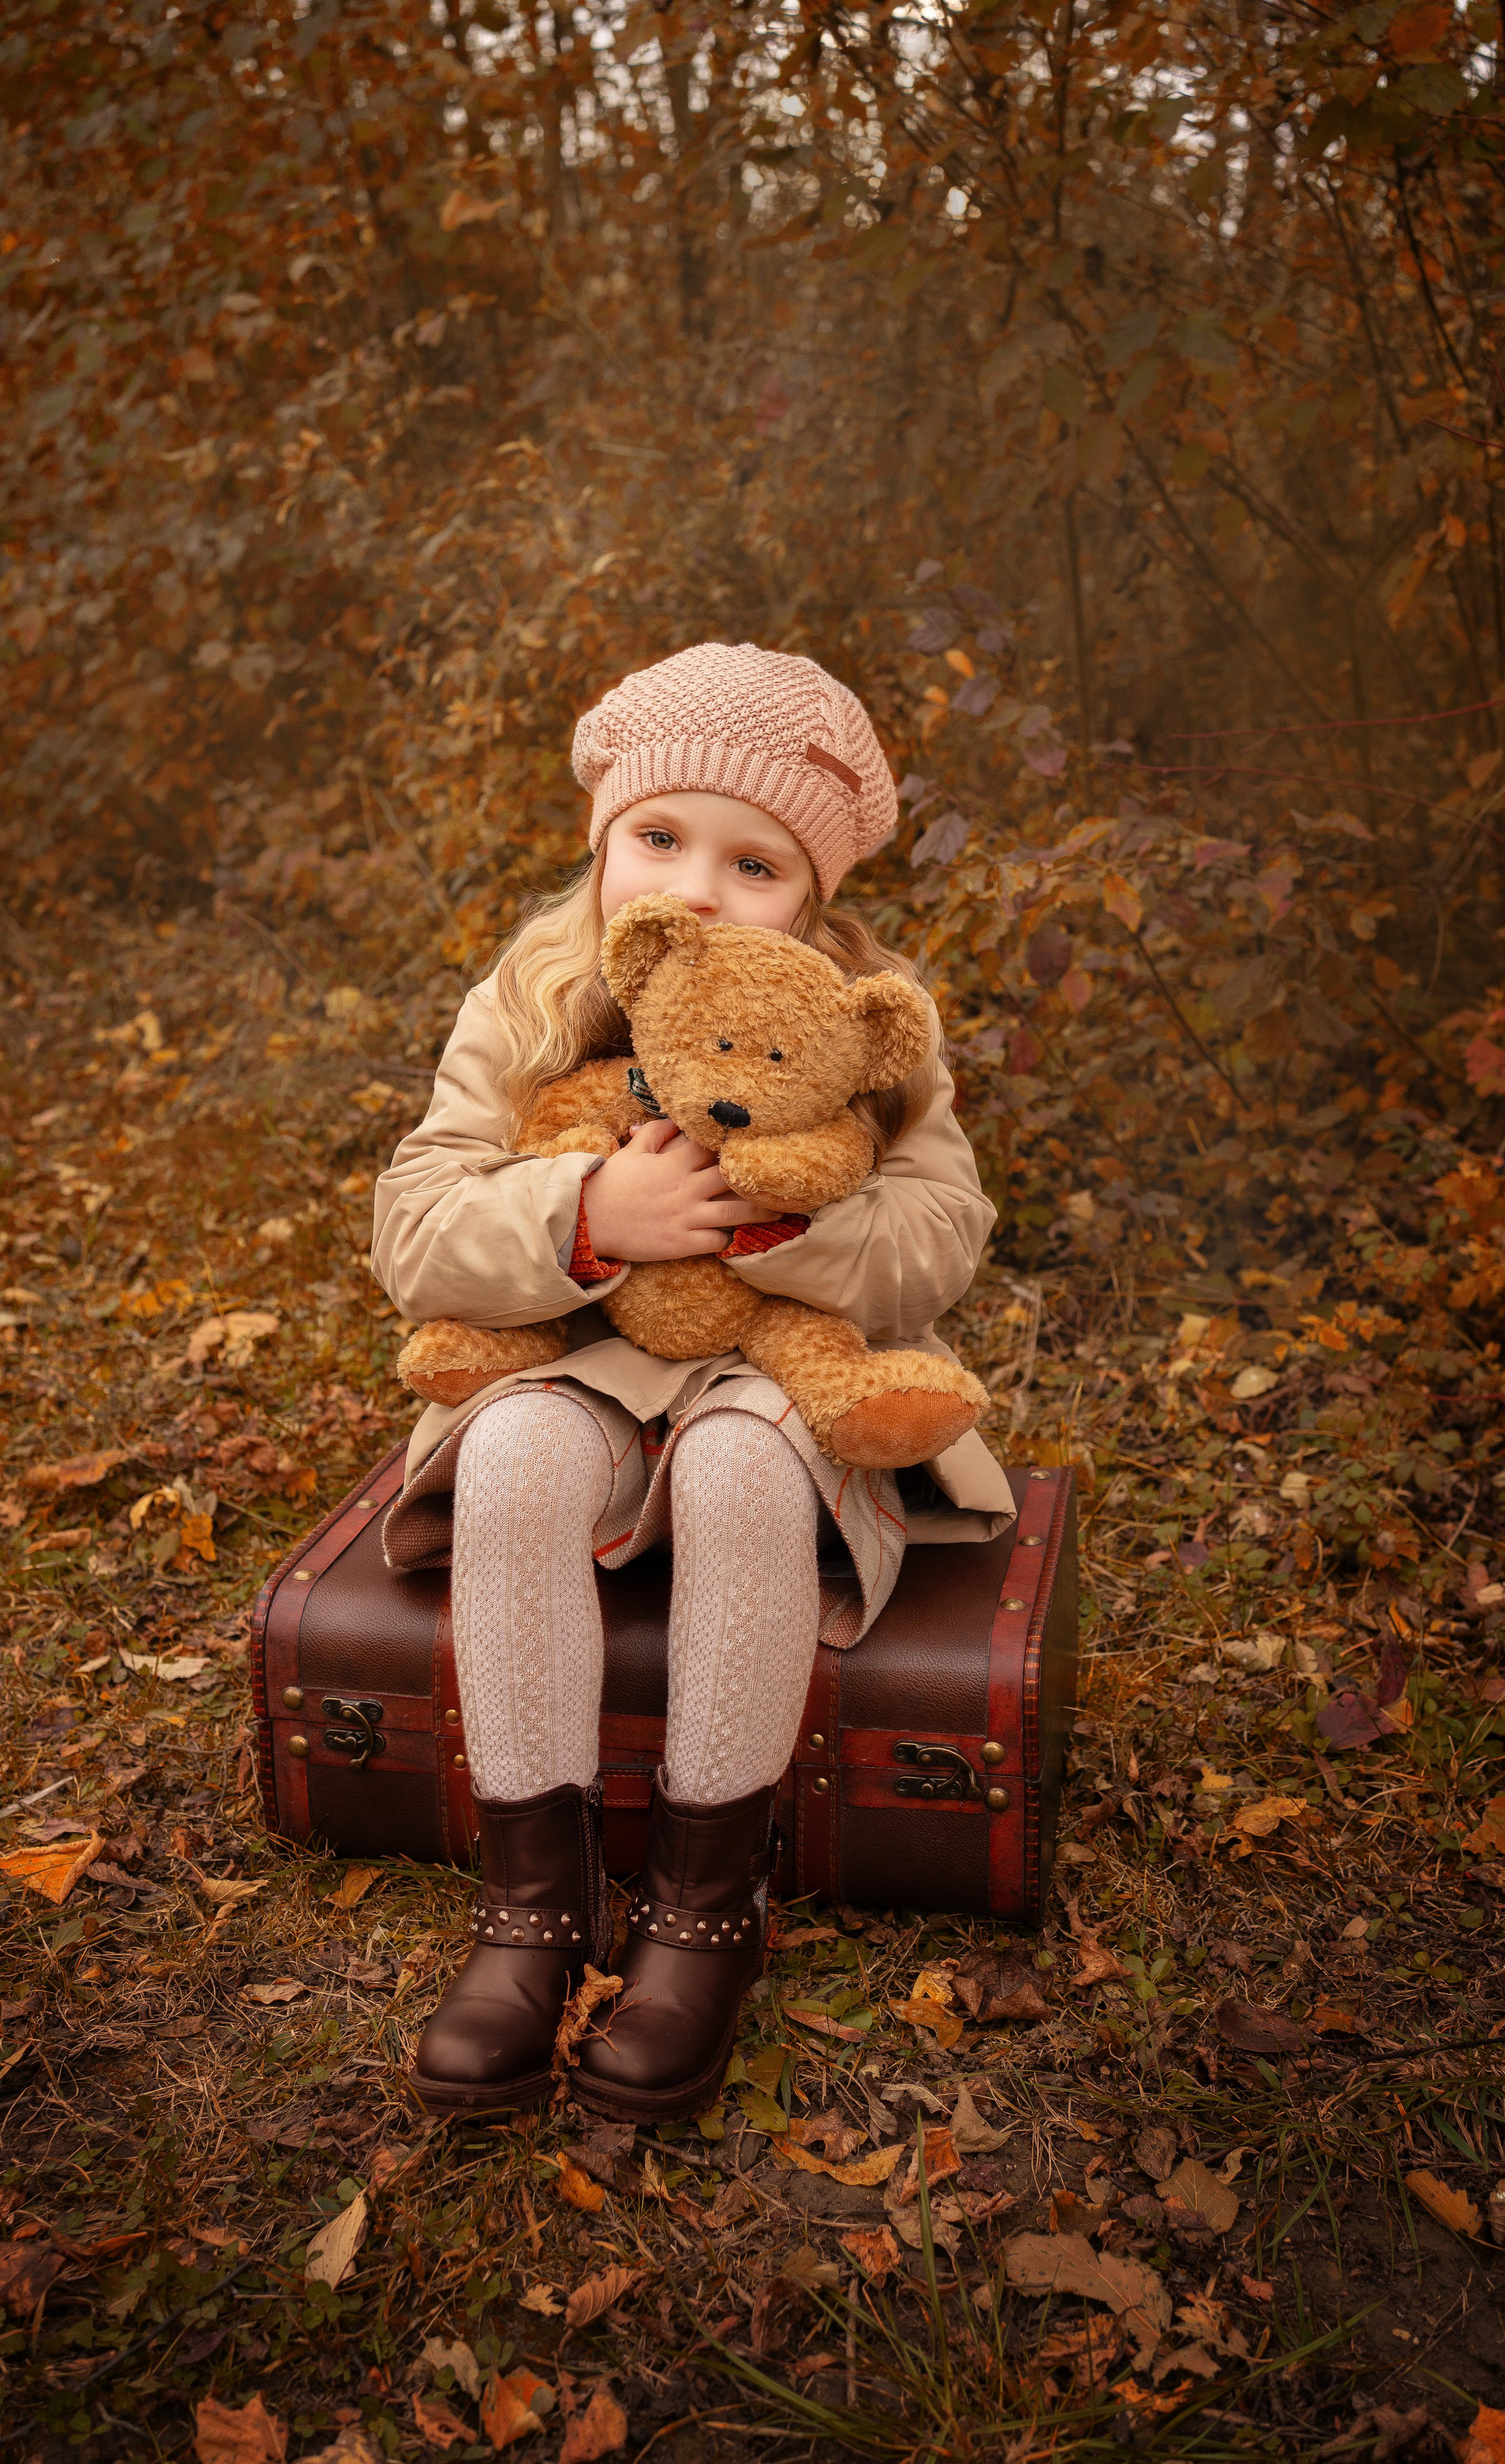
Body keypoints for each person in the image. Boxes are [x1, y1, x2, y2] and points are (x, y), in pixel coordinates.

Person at [370, 640, 1014, 2123]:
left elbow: (941, 1228)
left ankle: (702, 1915)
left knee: (737, 1467)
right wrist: (589, 1214)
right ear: (602, 837)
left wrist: (779, 1226)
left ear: (813, 894)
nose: (697, 889)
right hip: (582, 1352)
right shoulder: (529, 994)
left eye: (754, 862)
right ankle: (533, 1909)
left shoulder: (861, 1012)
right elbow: (414, 1224)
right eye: (657, 837)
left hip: (780, 1371)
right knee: (515, 1460)